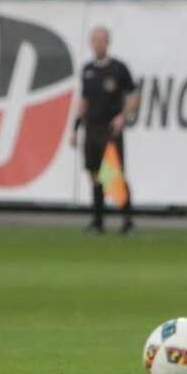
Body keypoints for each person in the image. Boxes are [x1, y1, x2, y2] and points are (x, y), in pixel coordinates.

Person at [69, 26, 139, 234]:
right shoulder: (87, 69)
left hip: (110, 130)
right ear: (91, 43)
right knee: (94, 174)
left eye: (101, 40)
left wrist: (122, 117)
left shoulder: (118, 68)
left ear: (107, 42)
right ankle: (98, 221)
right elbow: (84, 101)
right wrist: (75, 127)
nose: (98, 44)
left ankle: (127, 221)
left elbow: (134, 96)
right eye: (95, 40)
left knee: (114, 174)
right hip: (91, 128)